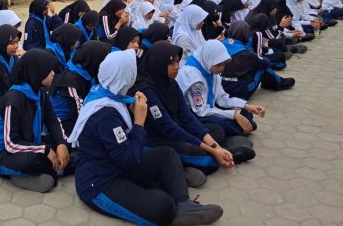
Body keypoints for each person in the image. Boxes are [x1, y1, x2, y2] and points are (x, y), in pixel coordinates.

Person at [70, 50, 224, 226]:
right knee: (163, 206)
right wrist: (139, 121)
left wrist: (133, 111)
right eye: (132, 71)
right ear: (124, 76)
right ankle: (166, 190)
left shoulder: (110, 93)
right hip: (99, 183)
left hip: (118, 165)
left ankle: (184, 204)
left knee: (166, 154)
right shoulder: (105, 114)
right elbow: (129, 159)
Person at [129, 42, 247, 181]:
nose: (177, 66)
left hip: (176, 128)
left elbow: (186, 117)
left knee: (216, 130)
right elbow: (168, 128)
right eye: (172, 63)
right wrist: (212, 149)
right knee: (198, 155)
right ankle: (183, 167)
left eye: (178, 61)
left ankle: (221, 152)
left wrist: (216, 146)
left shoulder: (170, 82)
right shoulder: (146, 90)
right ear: (159, 64)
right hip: (156, 138)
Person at [0, 50, 70, 193]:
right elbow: (11, 143)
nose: (53, 73)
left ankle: (52, 170)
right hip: (2, 154)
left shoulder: (39, 93)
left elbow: (53, 121)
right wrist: (45, 149)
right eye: (48, 71)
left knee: (67, 144)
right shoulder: (13, 100)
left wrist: (61, 143)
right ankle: (28, 174)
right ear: (37, 72)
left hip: (29, 142)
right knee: (33, 160)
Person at [177, 40, 266, 137]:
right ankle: (240, 128)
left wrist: (246, 106)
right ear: (208, 59)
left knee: (246, 111)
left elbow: (222, 98)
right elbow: (201, 111)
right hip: (194, 113)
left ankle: (242, 127)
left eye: (223, 64)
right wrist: (233, 115)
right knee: (223, 127)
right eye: (219, 64)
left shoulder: (210, 70)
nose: (222, 68)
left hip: (209, 107)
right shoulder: (193, 76)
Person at [50, 41, 111, 136]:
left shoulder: (86, 71)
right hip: (62, 121)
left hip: (75, 115)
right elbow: (79, 113)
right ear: (95, 60)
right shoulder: (71, 81)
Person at [221, 21, 295, 98]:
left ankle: (272, 82)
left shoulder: (220, 44)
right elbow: (266, 63)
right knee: (262, 67)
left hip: (219, 87)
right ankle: (279, 82)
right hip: (237, 91)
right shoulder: (246, 52)